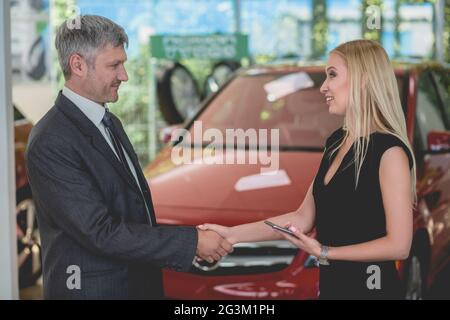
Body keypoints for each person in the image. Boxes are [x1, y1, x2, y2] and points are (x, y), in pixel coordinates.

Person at [25, 15, 232, 300]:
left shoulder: (109, 122)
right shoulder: (51, 140)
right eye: (114, 65)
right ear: (77, 65)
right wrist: (191, 242)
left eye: (123, 64)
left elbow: (133, 213)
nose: (124, 76)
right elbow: (101, 231)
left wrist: (189, 238)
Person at [198, 39, 416, 300]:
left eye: (332, 75)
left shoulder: (390, 152)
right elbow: (302, 218)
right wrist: (232, 235)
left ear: (363, 80)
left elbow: (399, 245)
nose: (323, 87)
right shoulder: (337, 141)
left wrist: (325, 252)